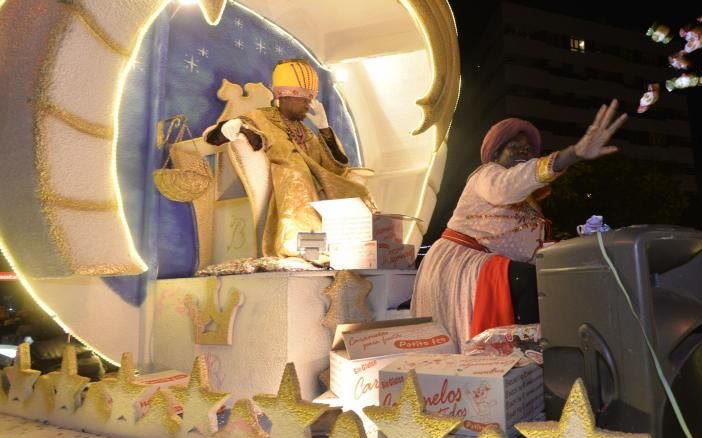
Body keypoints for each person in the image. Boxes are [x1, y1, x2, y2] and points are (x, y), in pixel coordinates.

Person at [412, 100, 627, 342]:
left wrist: (583, 249)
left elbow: (531, 253)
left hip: (494, 269)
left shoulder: (530, 204)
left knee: (553, 283)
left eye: (527, 149)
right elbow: (507, 187)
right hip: (461, 266)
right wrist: (573, 154)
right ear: (495, 155)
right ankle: (529, 355)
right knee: (528, 280)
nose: (523, 152)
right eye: (514, 146)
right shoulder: (486, 175)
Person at [204, 59, 371, 257]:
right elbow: (214, 136)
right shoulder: (261, 117)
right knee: (297, 175)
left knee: (355, 189)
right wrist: (235, 127)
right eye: (304, 99)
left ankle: (355, 250)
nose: (309, 105)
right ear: (285, 96)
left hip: (313, 182)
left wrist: (324, 129)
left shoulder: (305, 132)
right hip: (286, 181)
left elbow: (333, 168)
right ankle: (305, 249)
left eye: (311, 98)